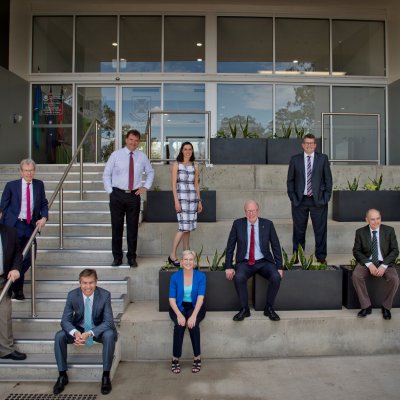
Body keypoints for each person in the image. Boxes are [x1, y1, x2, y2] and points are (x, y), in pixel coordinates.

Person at [53, 268, 117, 395]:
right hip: (80, 329)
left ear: (96, 282)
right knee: (59, 336)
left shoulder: (104, 295)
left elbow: (109, 322)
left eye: (91, 283)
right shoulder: (72, 295)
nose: (88, 287)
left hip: (97, 329)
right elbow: (65, 321)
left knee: (109, 335)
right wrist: (75, 333)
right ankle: (62, 375)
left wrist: (90, 333)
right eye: (85, 283)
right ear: (80, 283)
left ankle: (105, 376)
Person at [103, 129, 154, 268]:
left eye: (136, 140)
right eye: (131, 139)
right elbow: (106, 174)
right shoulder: (116, 155)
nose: (133, 142)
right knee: (117, 228)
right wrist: (110, 191)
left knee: (132, 229)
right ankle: (117, 258)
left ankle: (131, 257)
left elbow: (150, 172)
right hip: (117, 195)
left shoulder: (142, 157)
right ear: (126, 140)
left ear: (138, 142)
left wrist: (145, 187)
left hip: (134, 196)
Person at [225, 200, 283, 322]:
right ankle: (244, 309)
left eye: (253, 210)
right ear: (244, 211)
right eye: (248, 211)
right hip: (245, 262)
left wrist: (279, 266)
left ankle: (269, 308)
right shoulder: (238, 224)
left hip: (264, 261)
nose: (251, 213)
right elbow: (230, 246)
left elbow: (276, 246)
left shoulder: (267, 224)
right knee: (239, 277)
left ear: (258, 210)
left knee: (276, 277)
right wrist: (228, 266)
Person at [0, 159, 48, 300]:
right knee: (12, 255)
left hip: (29, 226)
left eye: (31, 170)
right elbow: (3, 207)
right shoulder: (11, 186)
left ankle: (13, 283)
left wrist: (44, 217)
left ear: (34, 170)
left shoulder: (39, 185)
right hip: (13, 226)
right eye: (26, 170)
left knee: (28, 257)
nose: (29, 173)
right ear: (21, 171)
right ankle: (17, 289)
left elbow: (44, 203)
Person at [287, 133, 332, 263]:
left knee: (320, 230)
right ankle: (297, 256)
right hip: (300, 201)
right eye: (306, 143)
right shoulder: (295, 159)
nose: (309, 145)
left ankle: (321, 256)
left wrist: (326, 198)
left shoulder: (323, 159)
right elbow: (290, 180)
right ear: (303, 145)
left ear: (315, 145)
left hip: (318, 201)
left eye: (311, 143)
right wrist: (293, 197)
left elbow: (328, 179)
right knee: (298, 230)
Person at [352, 209, 399, 320]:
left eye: (378, 218)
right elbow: (356, 251)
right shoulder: (360, 232)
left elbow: (395, 251)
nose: (376, 221)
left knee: (395, 279)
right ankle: (366, 306)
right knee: (356, 275)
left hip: (385, 262)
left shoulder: (389, 230)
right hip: (367, 262)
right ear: (367, 220)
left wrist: (383, 266)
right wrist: (369, 264)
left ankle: (386, 307)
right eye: (372, 219)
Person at [168, 250, 206, 374]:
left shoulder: (201, 276)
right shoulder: (175, 277)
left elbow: (200, 298)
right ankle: (175, 358)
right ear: (182, 261)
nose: (188, 262)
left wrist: (194, 316)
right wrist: (179, 314)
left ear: (194, 262)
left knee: (193, 325)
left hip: (196, 306)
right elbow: (171, 299)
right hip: (178, 306)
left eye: (191, 260)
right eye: (186, 259)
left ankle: (197, 358)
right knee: (179, 325)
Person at [168, 142, 202, 266]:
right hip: (181, 199)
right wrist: (176, 201)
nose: (187, 151)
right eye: (185, 149)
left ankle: (186, 254)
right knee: (183, 227)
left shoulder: (196, 165)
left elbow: (196, 184)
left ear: (192, 151)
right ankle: (172, 255)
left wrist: (199, 201)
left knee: (188, 229)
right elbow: (173, 185)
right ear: (181, 151)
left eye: (190, 149)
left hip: (192, 199)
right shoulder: (177, 164)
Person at [0, 207, 26, 361]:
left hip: (2, 281)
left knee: (4, 315)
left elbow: (17, 253)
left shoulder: (10, 232)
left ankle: (6, 350)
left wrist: (16, 268)